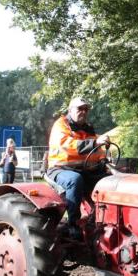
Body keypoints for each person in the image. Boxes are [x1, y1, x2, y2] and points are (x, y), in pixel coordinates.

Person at [47, 97, 109, 239]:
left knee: (109, 181)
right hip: (60, 169)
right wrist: (94, 143)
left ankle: (102, 220)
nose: (83, 112)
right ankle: (73, 224)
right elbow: (67, 145)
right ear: (70, 110)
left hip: (84, 169)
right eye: (79, 109)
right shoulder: (61, 125)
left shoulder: (88, 127)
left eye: (86, 109)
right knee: (75, 180)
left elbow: (97, 150)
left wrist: (103, 160)